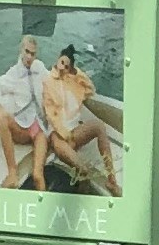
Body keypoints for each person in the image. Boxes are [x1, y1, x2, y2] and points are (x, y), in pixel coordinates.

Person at [40, 50, 124, 194]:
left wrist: (77, 74)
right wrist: (64, 133)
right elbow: (51, 115)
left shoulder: (74, 83)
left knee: (99, 126)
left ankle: (112, 180)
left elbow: (91, 90)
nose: (61, 68)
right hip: (58, 137)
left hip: (74, 133)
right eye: (61, 63)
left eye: (66, 66)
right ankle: (80, 195)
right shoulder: (49, 83)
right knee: (83, 170)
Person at [0, 36, 49, 187]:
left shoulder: (40, 68)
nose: (29, 57)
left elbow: (53, 82)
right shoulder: (13, 74)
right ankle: (12, 172)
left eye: (33, 53)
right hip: (22, 128)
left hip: (39, 129)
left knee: (37, 175)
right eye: (27, 52)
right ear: (21, 50)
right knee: (1, 116)